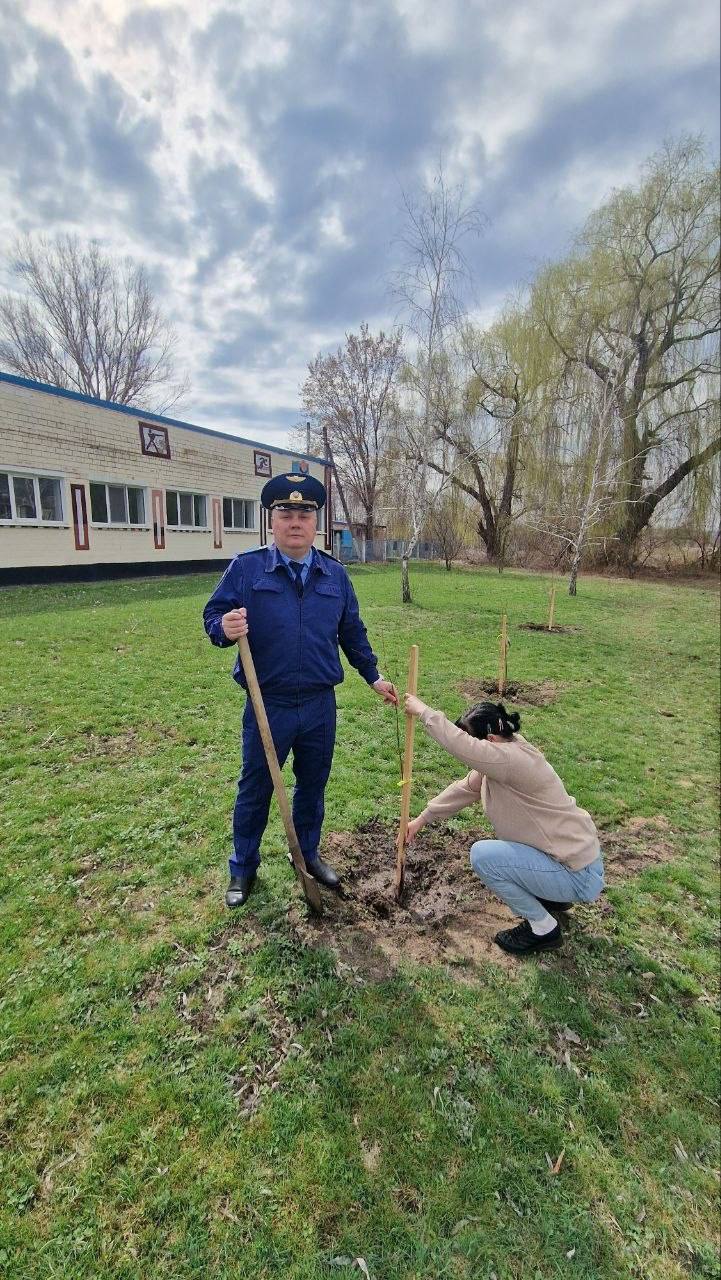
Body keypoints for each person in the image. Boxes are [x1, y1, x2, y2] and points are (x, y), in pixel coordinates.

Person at [203, 473, 398, 908]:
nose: (295, 522)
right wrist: (223, 628)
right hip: (265, 702)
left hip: (318, 704)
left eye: (304, 515)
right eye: (286, 514)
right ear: (272, 521)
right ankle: (242, 868)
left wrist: (373, 675)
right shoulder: (247, 569)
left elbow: (352, 632)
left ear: (317, 523)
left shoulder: (335, 575)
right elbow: (213, 615)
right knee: (255, 787)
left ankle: (307, 854)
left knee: (313, 785)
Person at [403, 695, 604, 955]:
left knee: (484, 857)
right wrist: (421, 820)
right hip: (573, 862)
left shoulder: (510, 760)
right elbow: (465, 788)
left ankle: (543, 928)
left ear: (490, 742)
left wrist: (423, 711)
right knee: (505, 854)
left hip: (577, 873)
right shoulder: (507, 757)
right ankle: (553, 896)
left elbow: (462, 746)